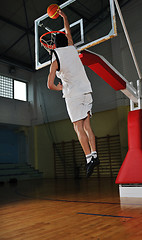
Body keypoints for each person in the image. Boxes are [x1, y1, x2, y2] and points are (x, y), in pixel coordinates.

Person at [47, 9, 100, 177]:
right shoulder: (71, 47)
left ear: (54, 45)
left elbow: (49, 84)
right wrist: (64, 16)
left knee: (78, 128)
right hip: (87, 90)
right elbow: (68, 32)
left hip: (73, 95)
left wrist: (59, 88)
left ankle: (88, 159)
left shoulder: (55, 58)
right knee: (87, 127)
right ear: (66, 41)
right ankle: (95, 155)